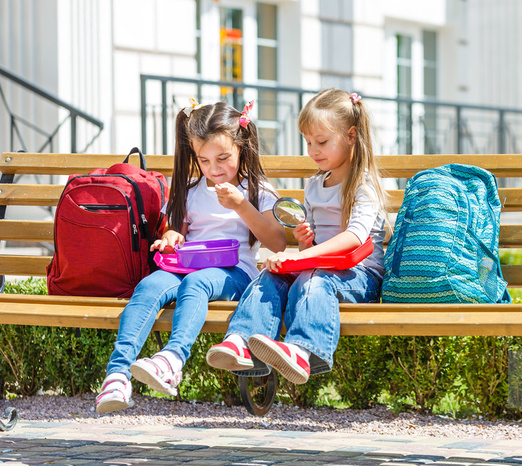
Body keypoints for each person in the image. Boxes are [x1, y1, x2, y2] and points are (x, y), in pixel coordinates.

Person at [95, 99, 286, 413]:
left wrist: (241, 205)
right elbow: (176, 231)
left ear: (242, 147)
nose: (214, 169)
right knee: (149, 287)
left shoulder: (257, 189)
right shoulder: (191, 187)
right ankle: (117, 375)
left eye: (223, 158)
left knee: (196, 283)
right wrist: (171, 237)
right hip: (188, 264)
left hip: (236, 271)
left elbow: (277, 241)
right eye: (204, 160)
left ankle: (171, 361)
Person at [206, 89, 388, 385]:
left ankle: (303, 351)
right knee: (268, 278)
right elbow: (313, 245)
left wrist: (301, 256)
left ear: (351, 136)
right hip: (319, 267)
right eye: (308, 142)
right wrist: (305, 242)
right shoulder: (316, 184)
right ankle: (242, 342)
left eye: (322, 141)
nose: (313, 150)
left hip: (360, 275)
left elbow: (355, 237)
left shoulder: (363, 183)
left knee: (314, 279)